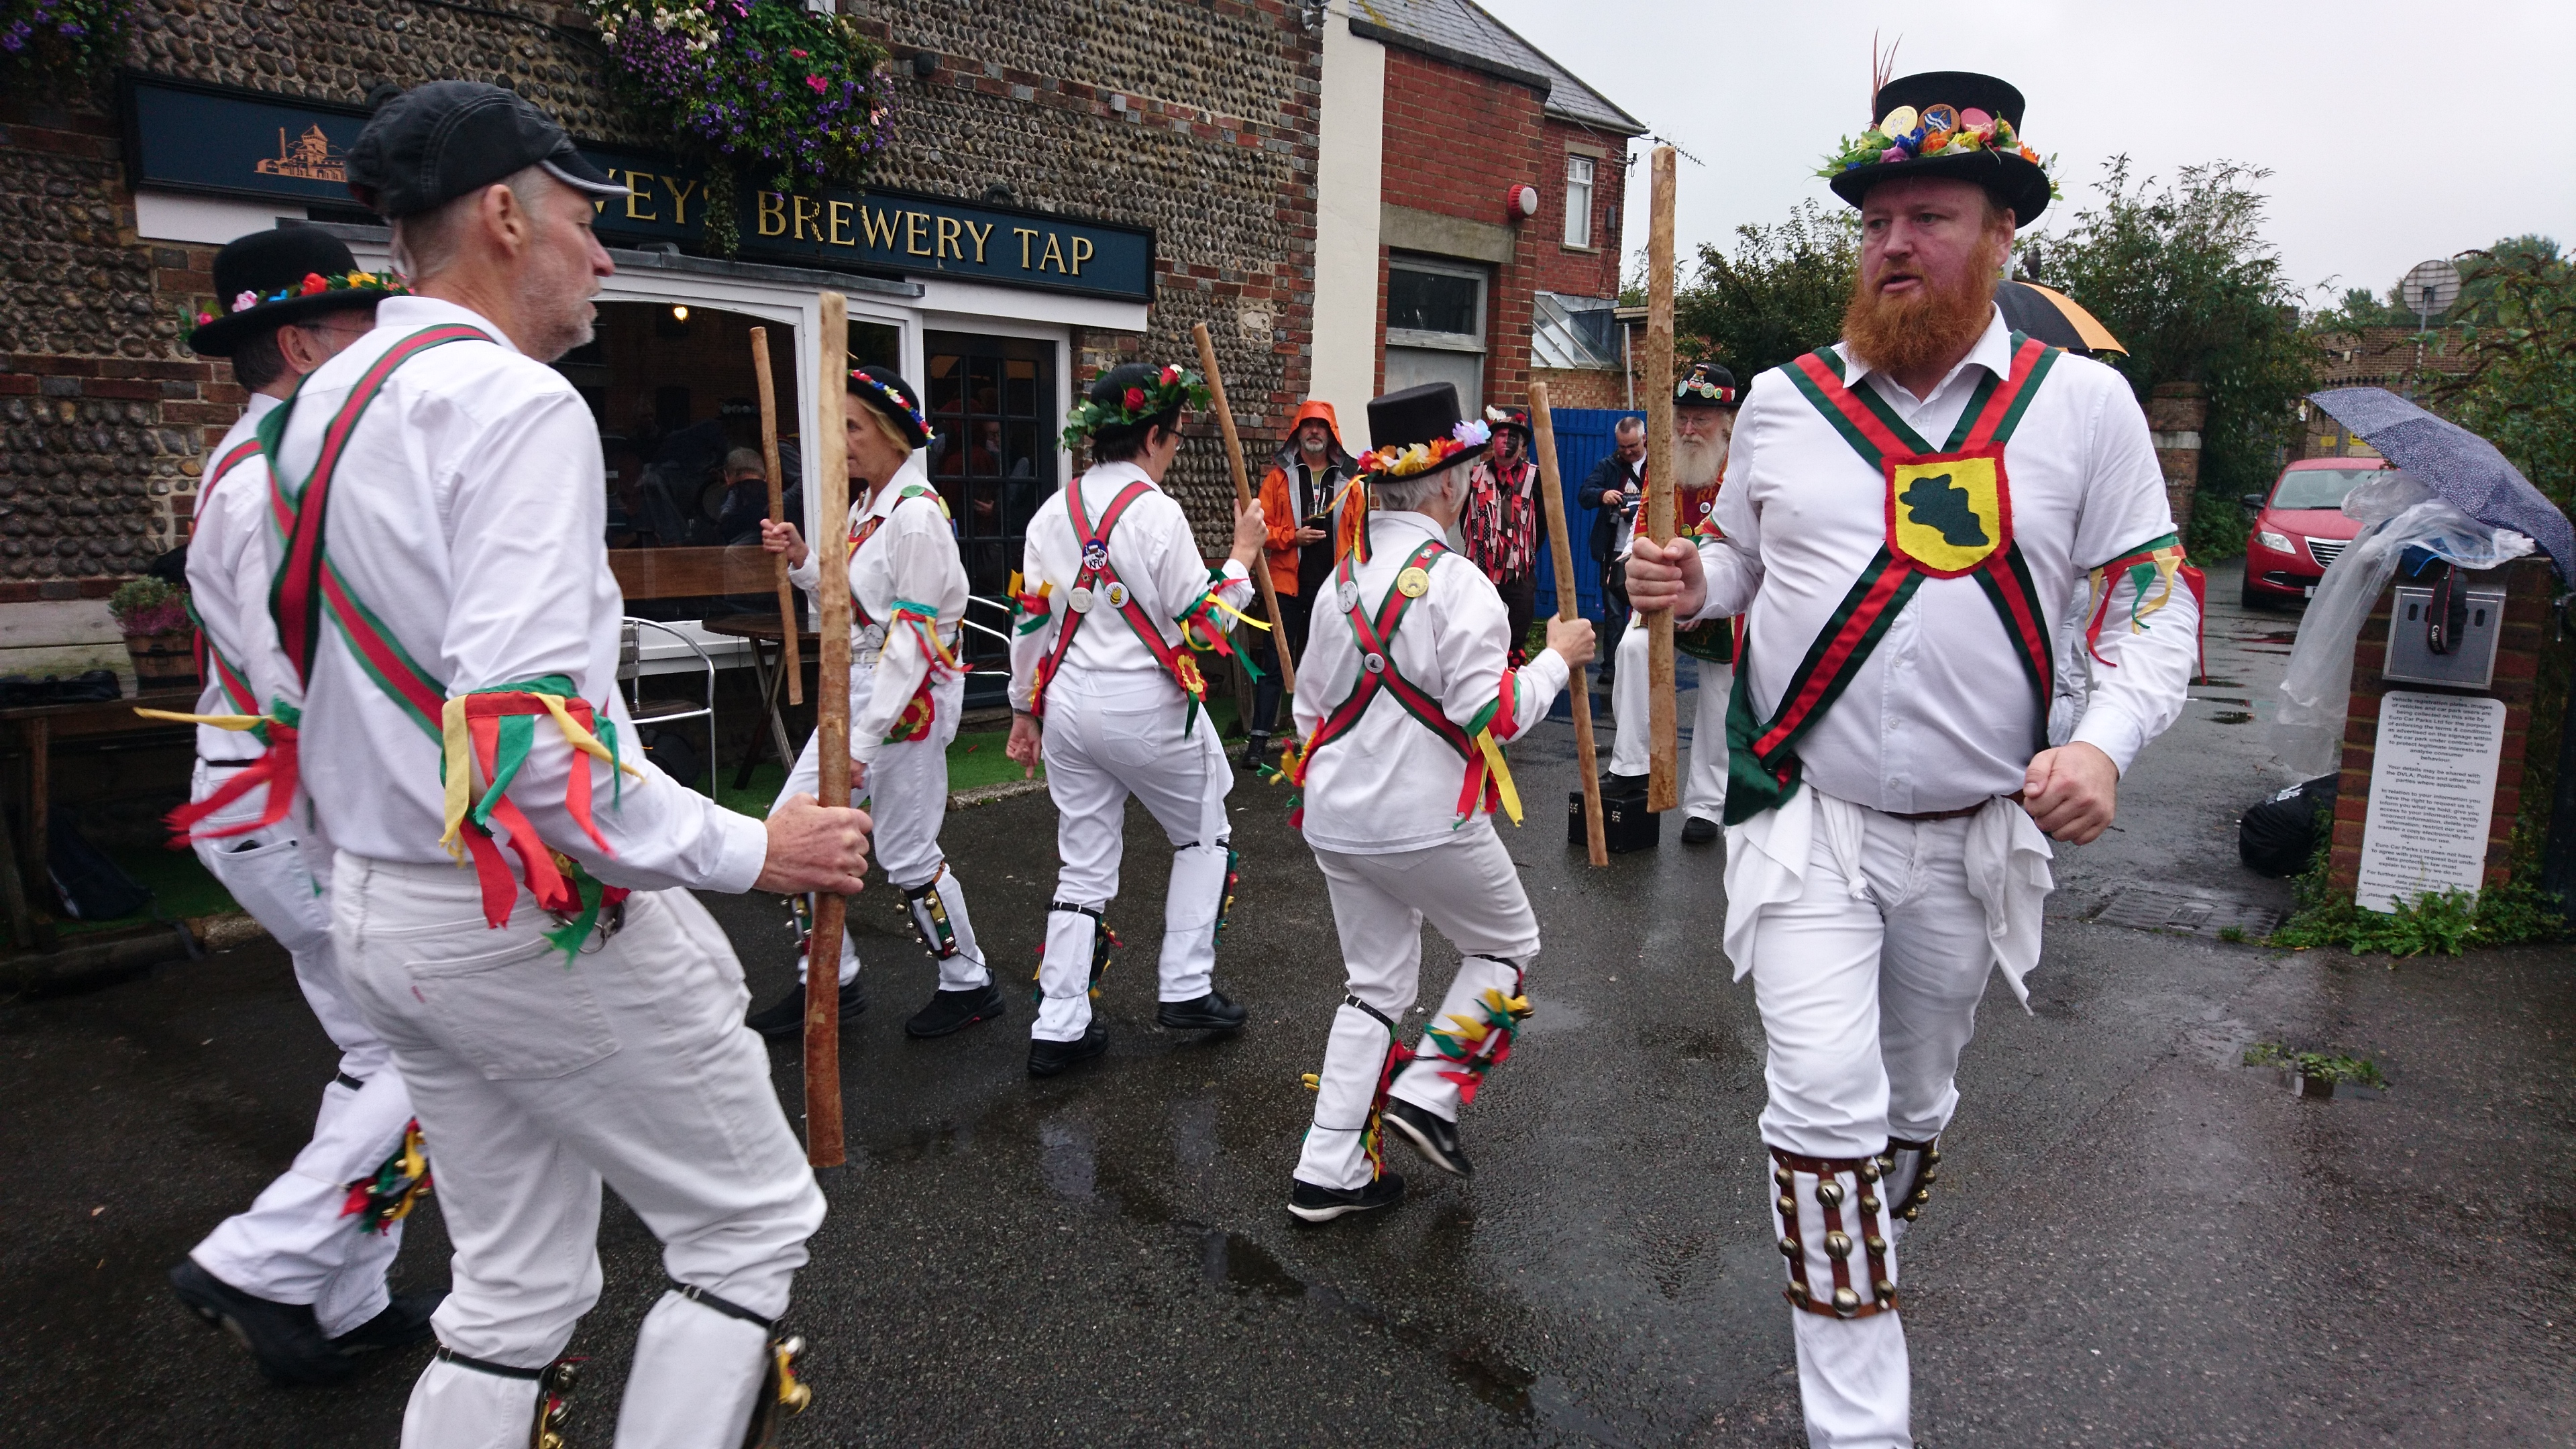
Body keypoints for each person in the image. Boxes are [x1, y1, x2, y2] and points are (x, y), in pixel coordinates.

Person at [269, 80, 874, 1448]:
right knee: (746, 1228)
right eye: (582, 220)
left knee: (515, 1284)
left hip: (376, 903)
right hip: (515, 917)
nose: (602, 255)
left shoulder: (308, 414)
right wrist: (751, 851)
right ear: (499, 216)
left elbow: (273, 682)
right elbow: (530, 749)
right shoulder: (511, 405)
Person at [1627, 72, 2197, 1449]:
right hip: (1810, 822)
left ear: (2001, 233)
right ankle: (1859, 1418)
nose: (1892, 244)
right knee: (1819, 1103)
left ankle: (1845, 1271)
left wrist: (2106, 749)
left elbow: (2154, 610)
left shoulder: (2086, 415)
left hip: (1976, 838)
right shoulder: (1782, 402)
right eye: (1875, 219)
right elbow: (1740, 568)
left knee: (1909, 1105)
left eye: (1928, 216)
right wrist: (1682, 581)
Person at [158, 226, 434, 1387]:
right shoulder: (262, 490)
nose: (375, 346)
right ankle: (262, 1263)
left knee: (384, 1051)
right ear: (294, 342)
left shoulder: (282, 463)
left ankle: (339, 1297)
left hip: (285, 808)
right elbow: (307, 693)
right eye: (353, 326)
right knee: (437, 1038)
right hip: (290, 814)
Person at [1281, 382, 1593, 1222]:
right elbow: (1491, 713)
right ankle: (1431, 1091)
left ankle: (1328, 1171)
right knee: (1506, 946)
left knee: (1374, 987)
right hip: (1424, 822)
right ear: (1449, 485)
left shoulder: (1338, 586)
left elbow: (1308, 713)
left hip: (1337, 821)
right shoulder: (1458, 585)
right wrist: (1558, 658)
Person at [1004, 362, 1267, 1077]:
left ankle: (1059, 1025)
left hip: (1065, 710)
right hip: (1147, 706)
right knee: (1204, 829)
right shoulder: (1156, 512)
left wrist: (1023, 709)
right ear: (1152, 435)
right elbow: (1208, 625)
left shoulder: (1050, 513)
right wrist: (1242, 556)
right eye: (1176, 436)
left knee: (1083, 864)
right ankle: (1185, 988)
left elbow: (1029, 621)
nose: (1177, 448)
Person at [751, 366, 1007, 1042]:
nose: (841, 439)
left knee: (907, 851)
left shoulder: (917, 517)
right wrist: (805, 560)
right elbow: (857, 609)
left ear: (894, 434)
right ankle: (829, 980)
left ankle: (969, 982)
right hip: (856, 689)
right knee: (792, 827)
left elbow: (912, 642)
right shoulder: (869, 509)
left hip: (904, 701)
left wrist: (863, 742)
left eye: (853, 426)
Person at [1603, 362, 1740, 843]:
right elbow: (1642, 526)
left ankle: (1706, 805)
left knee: (1720, 689)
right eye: (1682, 417)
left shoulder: (1744, 466)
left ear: (1727, 419)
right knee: (1632, 650)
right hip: (1665, 591)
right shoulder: (1663, 462)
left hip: (1726, 597)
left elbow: (1738, 541)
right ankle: (1632, 767)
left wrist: (1697, 597)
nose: (1688, 429)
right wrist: (1643, 575)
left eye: (1700, 419)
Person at [1244, 399, 1358, 769]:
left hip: (1332, 589)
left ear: (1331, 434)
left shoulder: (1350, 481)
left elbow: (1360, 534)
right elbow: (1260, 529)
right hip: (1285, 586)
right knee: (1276, 661)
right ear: (1298, 431)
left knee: (1324, 664)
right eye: (1308, 425)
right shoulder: (1279, 477)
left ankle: (1318, 742)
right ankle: (1258, 742)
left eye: (1321, 427)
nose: (1314, 432)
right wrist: (1292, 537)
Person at [1461, 405, 1541, 661]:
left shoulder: (1536, 478)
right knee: (1480, 631)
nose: (1507, 440)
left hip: (1519, 575)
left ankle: (1513, 686)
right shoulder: (1475, 475)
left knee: (1516, 633)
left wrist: (1519, 554)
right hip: (1481, 572)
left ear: (1523, 445)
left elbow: (1544, 522)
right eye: (1501, 435)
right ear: (1491, 440)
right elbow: (1465, 516)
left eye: (1513, 436)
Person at [1576, 415, 1646, 686]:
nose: (1627, 452)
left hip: (1648, 549)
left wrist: (1639, 509)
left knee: (1647, 612)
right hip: (1613, 550)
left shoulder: (1659, 465)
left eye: (1632, 447)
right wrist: (1603, 495)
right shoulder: (1608, 465)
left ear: (1645, 439)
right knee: (1614, 612)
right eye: (1622, 447)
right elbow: (1585, 494)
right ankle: (1611, 668)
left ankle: (1645, 669)